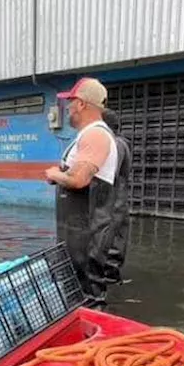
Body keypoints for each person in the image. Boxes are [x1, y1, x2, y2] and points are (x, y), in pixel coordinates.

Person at [45, 77, 120, 309]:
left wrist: (55, 174)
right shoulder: (87, 135)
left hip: (86, 235)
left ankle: (94, 342)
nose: (68, 107)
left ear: (82, 104)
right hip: (76, 234)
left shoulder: (95, 135)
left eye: (71, 102)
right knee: (76, 294)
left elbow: (78, 180)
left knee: (88, 295)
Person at [100, 107, 132, 286]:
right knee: (115, 235)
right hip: (117, 199)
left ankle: (109, 276)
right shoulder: (121, 142)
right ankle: (111, 274)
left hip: (114, 200)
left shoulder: (116, 144)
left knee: (112, 237)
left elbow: (109, 173)